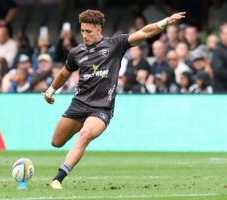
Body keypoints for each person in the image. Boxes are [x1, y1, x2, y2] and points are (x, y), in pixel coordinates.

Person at [42, 9, 185, 189]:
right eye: (83, 31)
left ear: (99, 29)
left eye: (89, 31)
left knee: (84, 136)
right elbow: (64, 73)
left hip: (101, 109)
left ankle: (58, 178)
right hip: (79, 104)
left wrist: (164, 22)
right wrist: (50, 90)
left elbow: (144, 33)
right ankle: (61, 170)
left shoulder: (115, 44)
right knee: (56, 142)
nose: (84, 35)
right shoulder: (76, 52)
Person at [211, 23, 227, 93]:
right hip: (221, 88)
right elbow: (218, 70)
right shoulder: (217, 50)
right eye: (225, 33)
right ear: (221, 35)